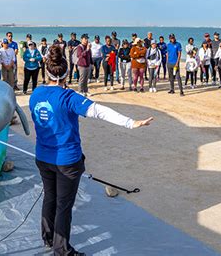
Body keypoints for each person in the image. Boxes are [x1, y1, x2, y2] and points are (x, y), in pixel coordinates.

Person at [29, 44, 153, 256]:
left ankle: (48, 237)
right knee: (63, 205)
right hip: (67, 161)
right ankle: (62, 250)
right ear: (67, 73)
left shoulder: (36, 94)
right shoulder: (69, 98)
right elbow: (100, 111)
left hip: (43, 157)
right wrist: (131, 123)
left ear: (47, 71)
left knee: (50, 197)